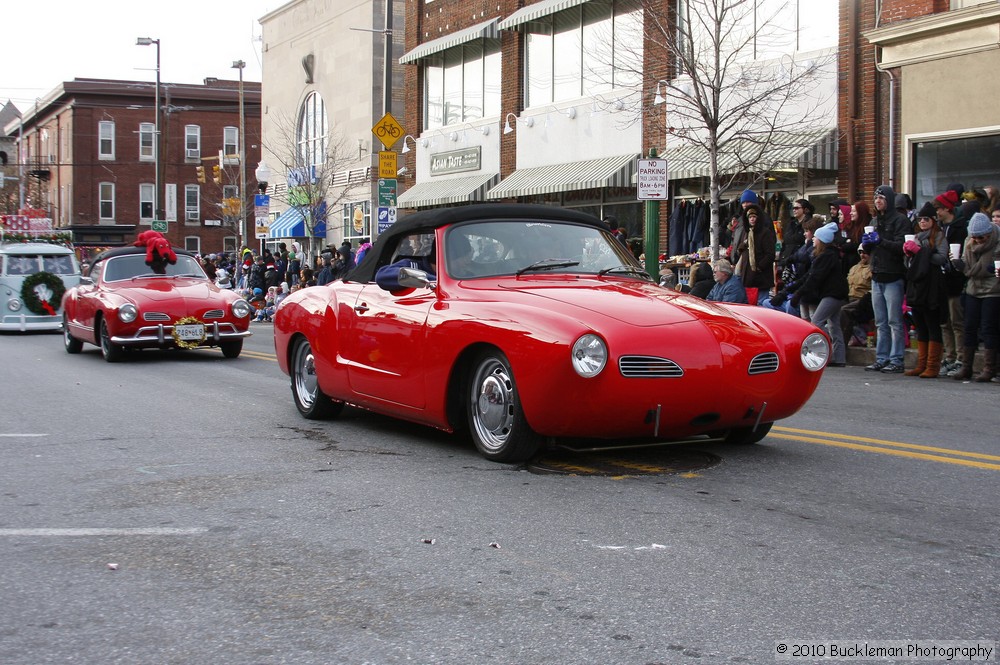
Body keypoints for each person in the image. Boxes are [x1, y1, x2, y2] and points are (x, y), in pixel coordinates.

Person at [862, 184, 910, 373]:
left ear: (889, 200)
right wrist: (866, 245)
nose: (878, 201)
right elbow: (870, 249)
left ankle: (896, 359)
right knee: (880, 320)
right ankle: (881, 357)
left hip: (893, 275)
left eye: (881, 198)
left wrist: (880, 241)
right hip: (877, 274)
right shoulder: (874, 222)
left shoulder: (900, 220)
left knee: (894, 321)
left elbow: (902, 247)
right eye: (876, 198)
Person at [949, 213, 1000, 382]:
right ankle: (966, 366)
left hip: (993, 289)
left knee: (988, 328)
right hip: (972, 289)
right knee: (969, 327)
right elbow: (966, 263)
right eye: (975, 237)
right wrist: (959, 264)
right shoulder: (968, 242)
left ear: (988, 233)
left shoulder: (997, 241)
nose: (978, 240)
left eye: (981, 237)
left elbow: (987, 269)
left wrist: (969, 269)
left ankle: (989, 368)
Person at [789, 222, 848, 366]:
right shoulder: (828, 255)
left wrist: (798, 293)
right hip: (836, 293)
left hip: (833, 294)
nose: (813, 239)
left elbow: (814, 278)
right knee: (834, 325)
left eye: (816, 237)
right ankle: (839, 358)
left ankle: (827, 347)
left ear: (821, 240)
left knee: (816, 322)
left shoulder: (826, 257)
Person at [902, 202, 949, 378]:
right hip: (917, 286)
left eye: (926, 219)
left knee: (932, 324)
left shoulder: (938, 236)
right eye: (920, 219)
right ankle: (921, 364)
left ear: (933, 220)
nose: (922, 222)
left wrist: (921, 251)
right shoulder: (915, 236)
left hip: (933, 286)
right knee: (920, 324)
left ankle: (933, 365)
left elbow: (941, 258)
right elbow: (909, 266)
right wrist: (908, 255)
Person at [933, 188, 969, 375]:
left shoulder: (960, 228)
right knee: (944, 322)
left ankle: (961, 358)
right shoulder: (939, 229)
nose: (937, 212)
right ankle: (949, 355)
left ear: (947, 209)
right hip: (942, 281)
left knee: (957, 322)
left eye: (939, 209)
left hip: (955, 281)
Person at [728, 203, 776, 303]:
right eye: (750, 217)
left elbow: (770, 254)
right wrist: (742, 246)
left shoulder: (765, 233)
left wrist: (759, 267)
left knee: (761, 303)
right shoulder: (746, 232)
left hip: (761, 275)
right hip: (748, 275)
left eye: (754, 216)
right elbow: (740, 249)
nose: (752, 219)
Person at [840, 246, 874, 346]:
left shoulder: (872, 269)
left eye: (865, 252)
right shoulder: (854, 268)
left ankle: (842, 344)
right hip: (849, 297)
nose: (862, 255)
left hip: (864, 300)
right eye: (860, 252)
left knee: (844, 310)